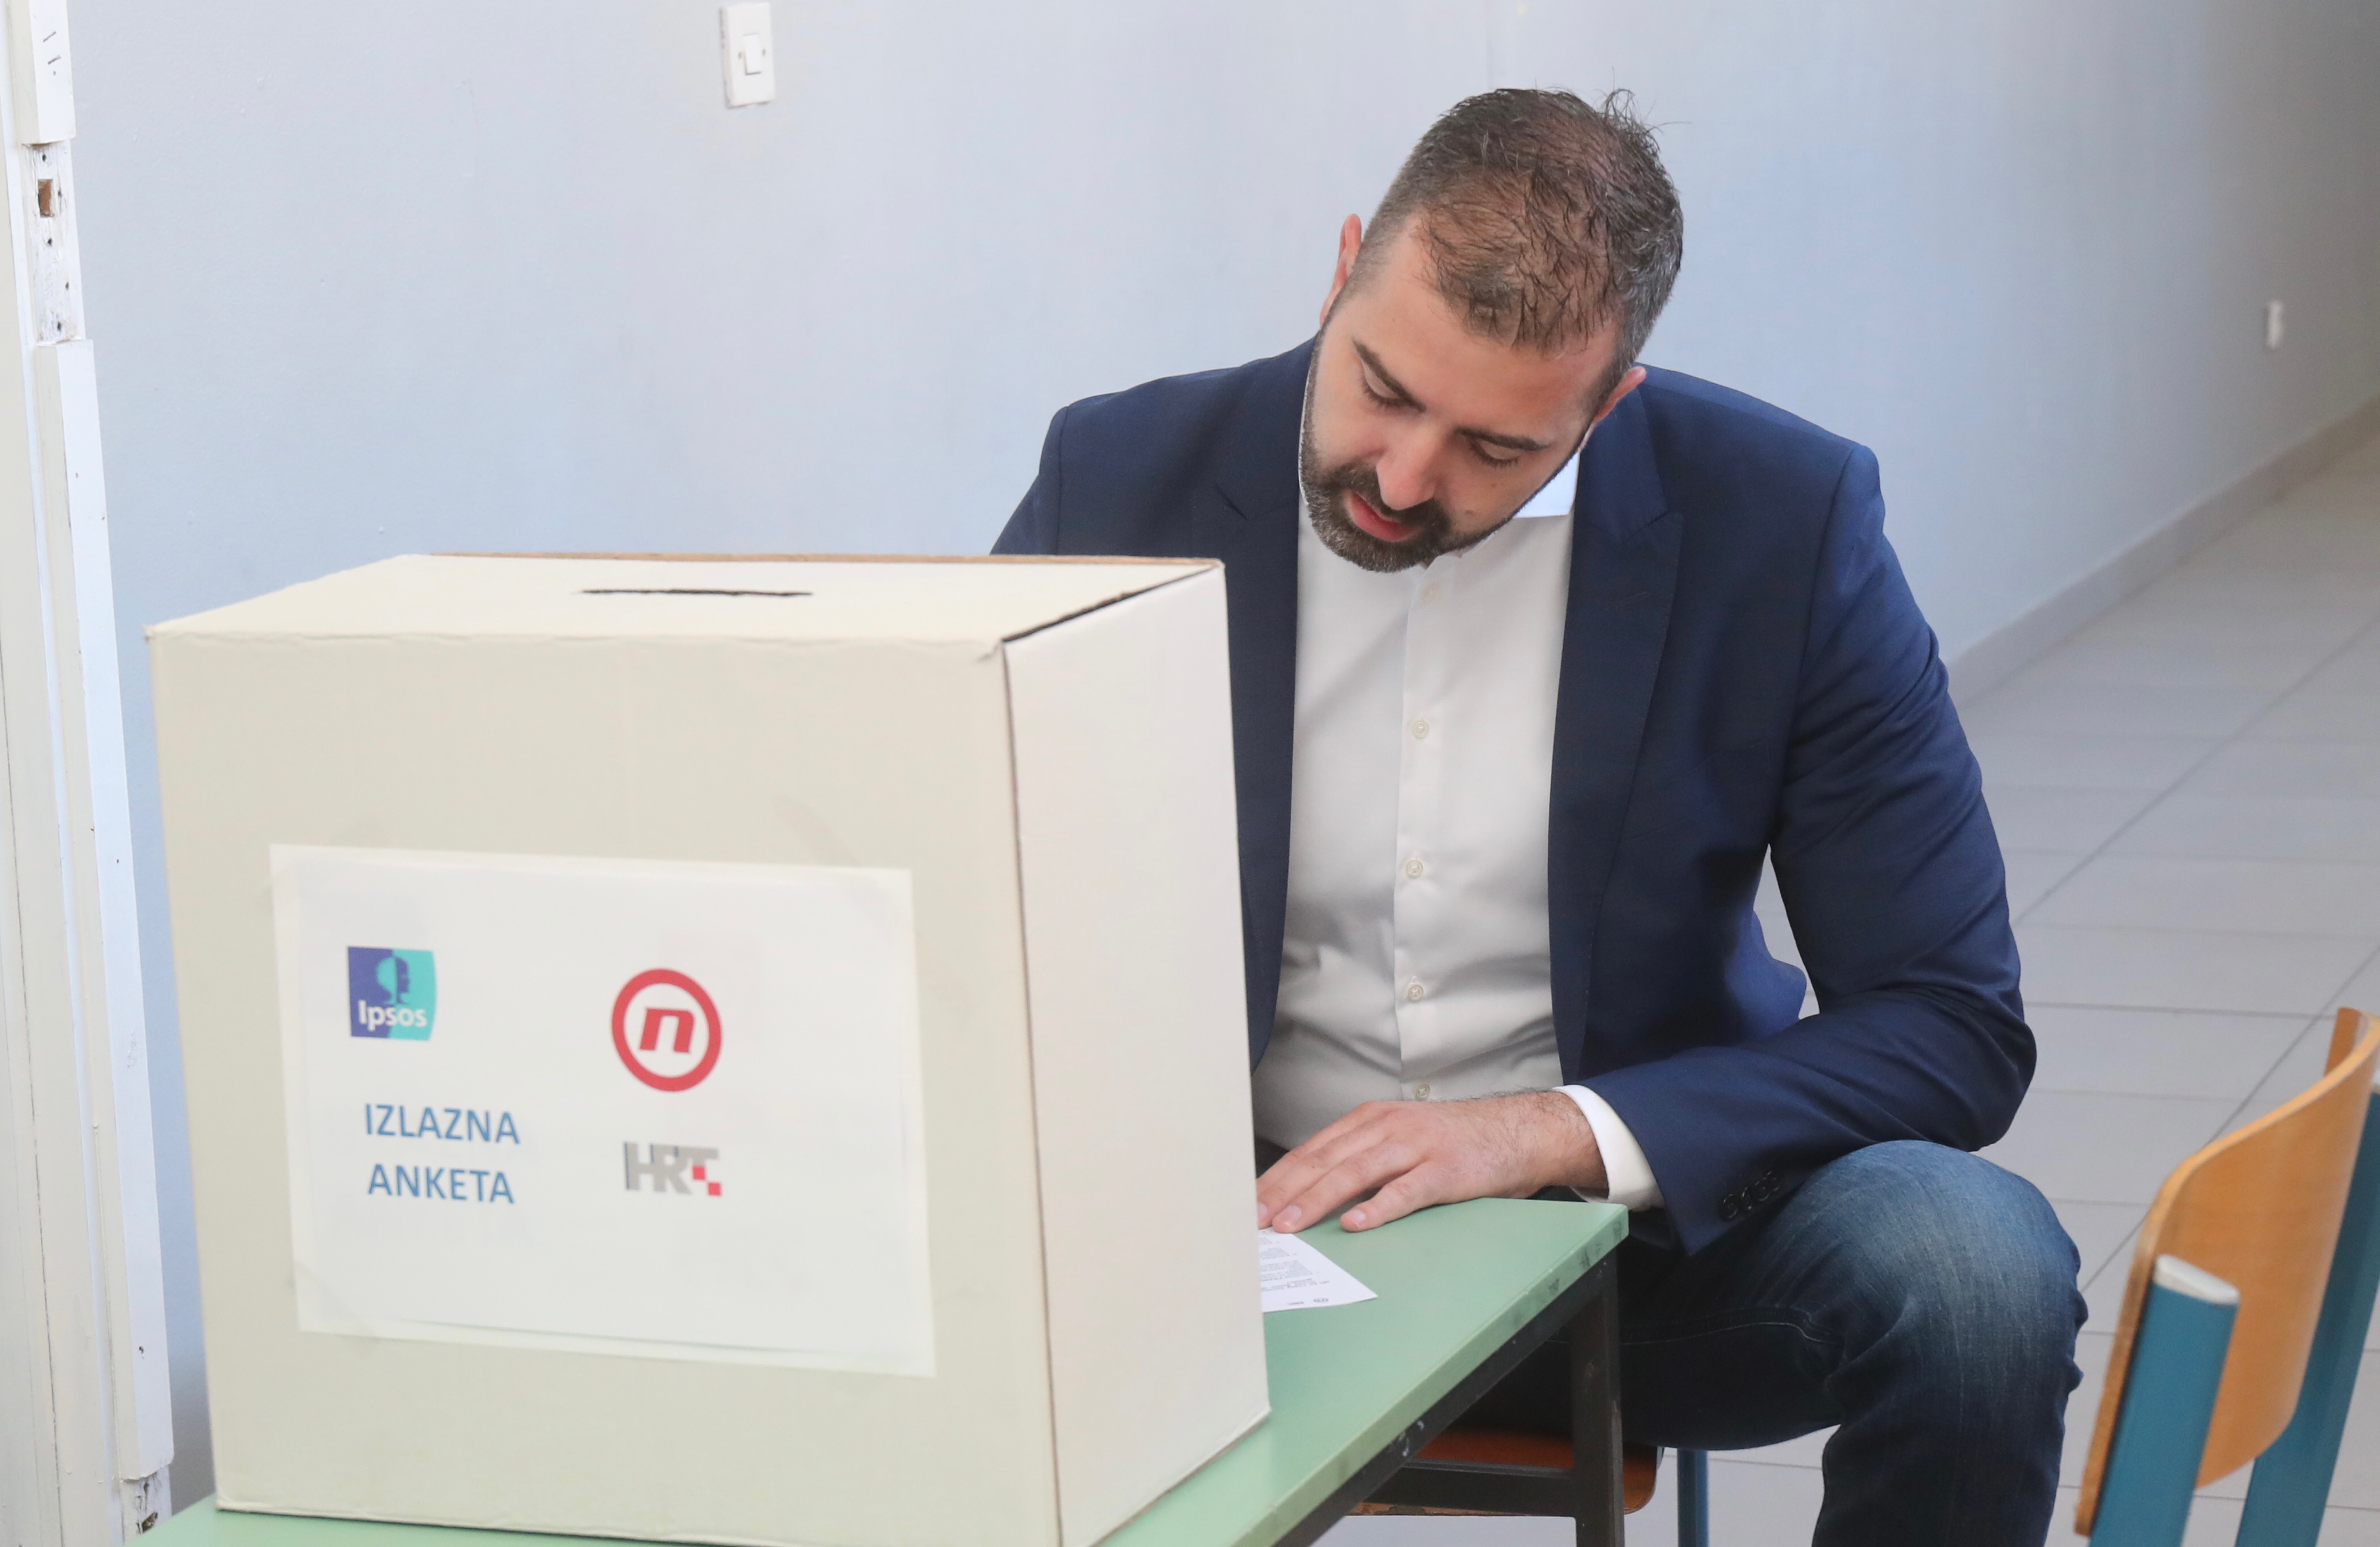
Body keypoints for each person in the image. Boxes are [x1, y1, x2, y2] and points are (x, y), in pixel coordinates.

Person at [994, 87, 2084, 1546]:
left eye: (1495, 449)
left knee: (1975, 1274)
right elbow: (963, 887)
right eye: (1382, 387)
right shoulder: (1120, 474)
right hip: (1224, 1239)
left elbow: (1949, 1023)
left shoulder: (1780, 516)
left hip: (1627, 1260)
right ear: (1341, 268)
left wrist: (1549, 1134)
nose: (1400, 479)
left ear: (1608, 399)